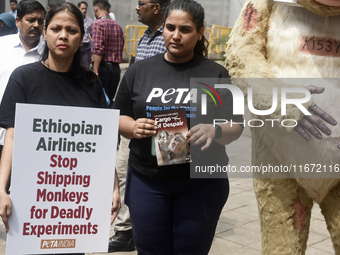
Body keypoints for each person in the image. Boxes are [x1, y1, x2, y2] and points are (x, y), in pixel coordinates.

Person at [113, 0, 243, 254]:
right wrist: (133, 127)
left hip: (201, 184)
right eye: (170, 27)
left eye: (185, 29)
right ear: (163, 28)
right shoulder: (139, 71)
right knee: (150, 249)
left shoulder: (216, 74)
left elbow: (235, 126)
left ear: (200, 32)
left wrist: (214, 130)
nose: (176, 35)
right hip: (148, 182)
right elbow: (118, 116)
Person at [0, 3, 120, 255]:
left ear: (82, 36)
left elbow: (103, 141)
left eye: (71, 30)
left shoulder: (92, 82)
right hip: (31, 197)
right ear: (45, 31)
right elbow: (12, 135)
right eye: (56, 28)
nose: (63, 35)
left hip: (74, 204)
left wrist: (113, 186)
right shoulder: (23, 78)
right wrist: (1, 188)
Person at [108, 0, 170, 252]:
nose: (136, 8)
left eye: (141, 3)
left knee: (154, 175)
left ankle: (128, 230)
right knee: (124, 172)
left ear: (156, 7)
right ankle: (127, 228)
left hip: (162, 125)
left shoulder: (170, 37)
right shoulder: (144, 37)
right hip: (132, 122)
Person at [0, 0, 45, 169]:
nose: (36, 25)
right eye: (31, 20)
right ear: (18, 21)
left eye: (40, 21)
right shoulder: (2, 46)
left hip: (35, 140)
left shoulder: (50, 52)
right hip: (2, 135)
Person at [92, 0, 124, 108]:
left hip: (102, 68)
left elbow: (98, 49)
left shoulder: (97, 24)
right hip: (115, 70)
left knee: (99, 101)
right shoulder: (118, 26)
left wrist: (95, 70)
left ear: (96, 8)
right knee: (109, 100)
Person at [78, 1, 93, 69]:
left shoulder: (90, 21)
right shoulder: (75, 20)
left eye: (85, 9)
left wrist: (92, 49)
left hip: (86, 47)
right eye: (82, 8)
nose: (84, 10)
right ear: (78, 8)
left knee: (86, 66)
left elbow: (92, 36)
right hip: (76, 46)